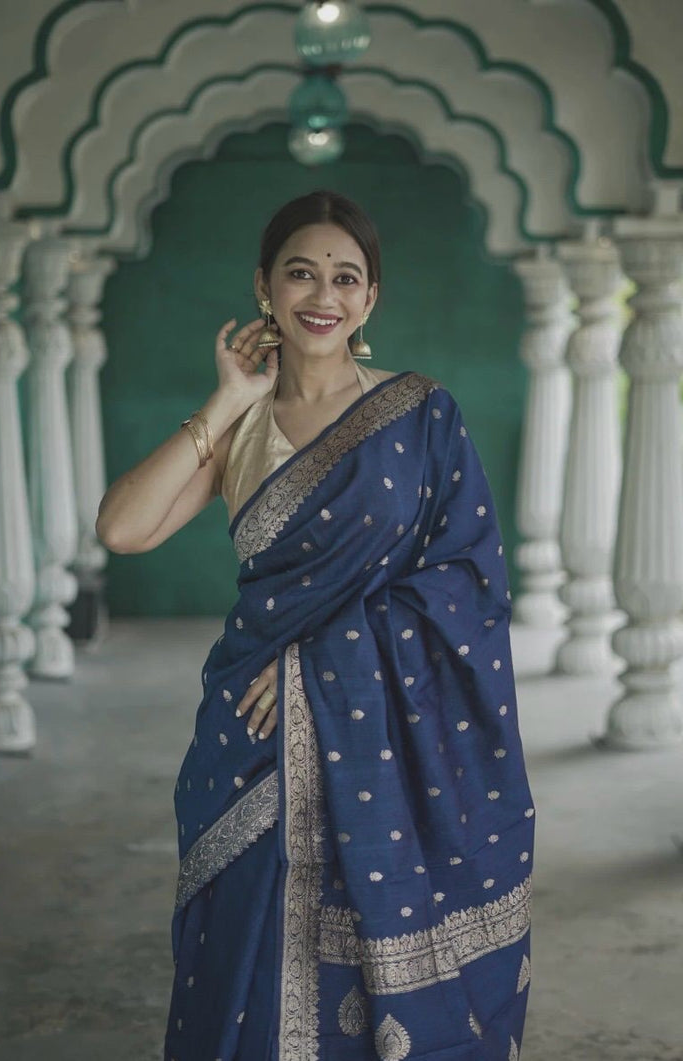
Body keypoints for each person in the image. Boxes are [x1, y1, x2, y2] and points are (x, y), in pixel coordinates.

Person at [96, 189, 535, 1061]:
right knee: (243, 951)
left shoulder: (421, 416)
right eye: (301, 273)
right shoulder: (241, 426)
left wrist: (319, 661)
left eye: (346, 277)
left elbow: (467, 583)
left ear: (371, 298)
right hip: (250, 735)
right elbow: (124, 528)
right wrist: (226, 399)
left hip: (379, 734)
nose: (322, 295)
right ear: (265, 287)